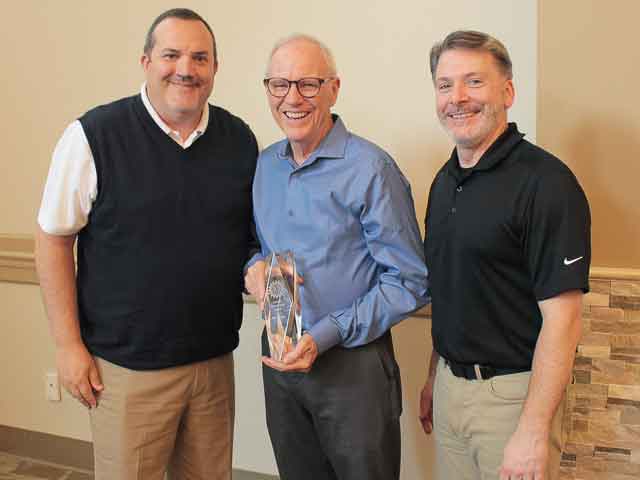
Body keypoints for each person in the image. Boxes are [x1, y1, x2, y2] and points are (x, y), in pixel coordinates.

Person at [35, 8, 258, 480]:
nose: (185, 68)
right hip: (126, 370)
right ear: (145, 62)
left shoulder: (239, 140)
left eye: (200, 57)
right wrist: (67, 345)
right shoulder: (93, 136)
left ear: (215, 68)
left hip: (214, 364)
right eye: (171, 54)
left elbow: (247, 241)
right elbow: (53, 239)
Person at [244, 34, 428, 480]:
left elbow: (410, 281)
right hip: (281, 358)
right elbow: (253, 246)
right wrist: (252, 269)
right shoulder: (264, 165)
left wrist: (327, 334)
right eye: (279, 85)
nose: (292, 98)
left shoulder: (371, 169)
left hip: (354, 367)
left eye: (308, 84)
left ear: (334, 88)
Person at [419, 30, 590, 480]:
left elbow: (563, 320)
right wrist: (436, 375)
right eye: (444, 85)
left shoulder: (547, 184)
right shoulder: (444, 183)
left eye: (474, 82)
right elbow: (454, 288)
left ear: (508, 91)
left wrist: (533, 430)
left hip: (514, 399)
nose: (457, 97)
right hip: (452, 393)